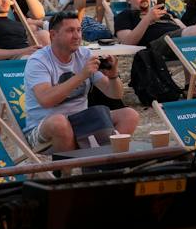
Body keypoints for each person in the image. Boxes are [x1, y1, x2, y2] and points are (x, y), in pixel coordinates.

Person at [23, 12, 141, 153]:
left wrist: (113, 76)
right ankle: (70, 170)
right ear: (53, 35)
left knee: (129, 115)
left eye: (79, 30)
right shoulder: (38, 61)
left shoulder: (84, 54)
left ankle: (105, 160)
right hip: (43, 128)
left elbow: (115, 94)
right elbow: (46, 100)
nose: (77, 36)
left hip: (83, 123)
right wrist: (81, 75)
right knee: (59, 123)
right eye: (70, 31)